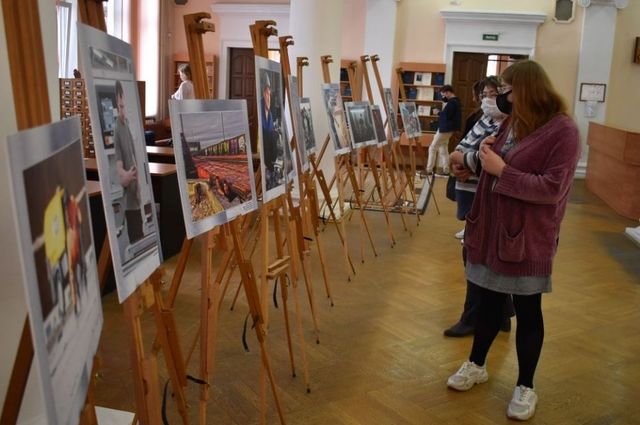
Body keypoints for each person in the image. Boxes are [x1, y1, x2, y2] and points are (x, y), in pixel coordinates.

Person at [446, 60, 580, 421]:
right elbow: (492, 159)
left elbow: (552, 189)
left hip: (526, 239)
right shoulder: (512, 123)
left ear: (528, 89)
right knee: (488, 302)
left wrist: (502, 171)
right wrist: (469, 161)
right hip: (491, 232)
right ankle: (477, 364)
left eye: (507, 91)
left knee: (528, 311)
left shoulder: (562, 132)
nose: (501, 97)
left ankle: (525, 385)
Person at [443, 76, 514, 338]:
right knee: (477, 255)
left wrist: (463, 159)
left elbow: (493, 159)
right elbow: (463, 148)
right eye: (485, 94)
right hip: (472, 192)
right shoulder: (482, 118)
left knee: (479, 257)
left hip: (491, 197)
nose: (490, 99)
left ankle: (474, 317)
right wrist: (457, 161)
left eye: (497, 92)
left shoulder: (512, 123)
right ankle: (501, 313)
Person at [114, 80, 143, 243]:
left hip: (139, 194)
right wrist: (123, 174)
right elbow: (118, 163)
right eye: (119, 107)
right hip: (131, 200)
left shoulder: (131, 123)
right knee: (136, 239)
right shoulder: (118, 128)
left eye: (123, 107)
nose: (121, 111)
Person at [425, 84, 461, 175]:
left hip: (445, 129)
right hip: (448, 129)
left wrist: (438, 112)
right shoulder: (456, 101)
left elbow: (446, 115)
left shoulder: (452, 102)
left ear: (448, 92)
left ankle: (429, 170)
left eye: (443, 94)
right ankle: (446, 170)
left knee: (432, 148)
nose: (443, 97)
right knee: (443, 148)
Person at [260, 71, 280, 189]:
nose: (269, 97)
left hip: (270, 165)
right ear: (262, 94)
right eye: (267, 93)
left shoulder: (270, 115)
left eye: (270, 94)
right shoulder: (260, 113)